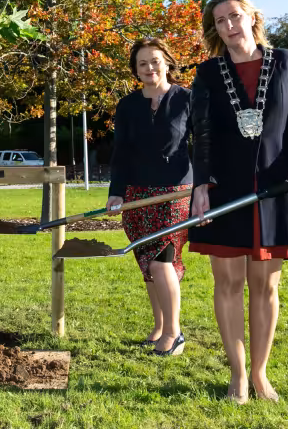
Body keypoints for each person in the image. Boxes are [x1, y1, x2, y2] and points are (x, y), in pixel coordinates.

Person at [189, 0, 288, 403]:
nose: (229, 25)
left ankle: (261, 375)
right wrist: (201, 186)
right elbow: (201, 136)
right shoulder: (207, 73)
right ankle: (238, 376)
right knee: (227, 283)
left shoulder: (286, 62)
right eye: (220, 20)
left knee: (264, 286)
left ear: (251, 17)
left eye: (235, 16)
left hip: (278, 189)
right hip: (225, 190)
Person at [107, 37, 192, 356]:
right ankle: (159, 327)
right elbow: (121, 153)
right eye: (142, 63)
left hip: (175, 193)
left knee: (161, 260)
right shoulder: (127, 106)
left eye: (155, 61)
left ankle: (174, 332)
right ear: (136, 70)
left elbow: (205, 145)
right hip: (136, 195)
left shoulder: (187, 99)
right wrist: (117, 192)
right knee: (148, 262)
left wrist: (206, 186)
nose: (149, 68)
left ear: (167, 63)